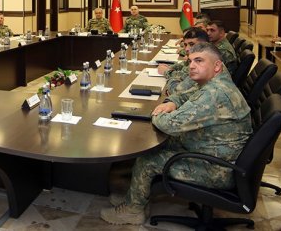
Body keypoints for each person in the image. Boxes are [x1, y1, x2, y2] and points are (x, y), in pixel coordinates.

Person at [101, 42, 252, 225]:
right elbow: (186, 95)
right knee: (155, 144)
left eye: (199, 61)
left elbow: (169, 125)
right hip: (213, 151)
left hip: (217, 170)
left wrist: (157, 113)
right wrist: (171, 102)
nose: (192, 66)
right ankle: (135, 197)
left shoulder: (214, 94)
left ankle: (133, 211)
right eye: (191, 61)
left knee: (148, 160)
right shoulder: (216, 82)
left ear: (217, 65)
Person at [158, 28, 210, 96]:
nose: (187, 49)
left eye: (192, 44)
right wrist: (171, 67)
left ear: (205, 45)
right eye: (185, 45)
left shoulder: (204, 65)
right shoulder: (196, 58)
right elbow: (184, 65)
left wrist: (167, 72)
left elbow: (177, 91)